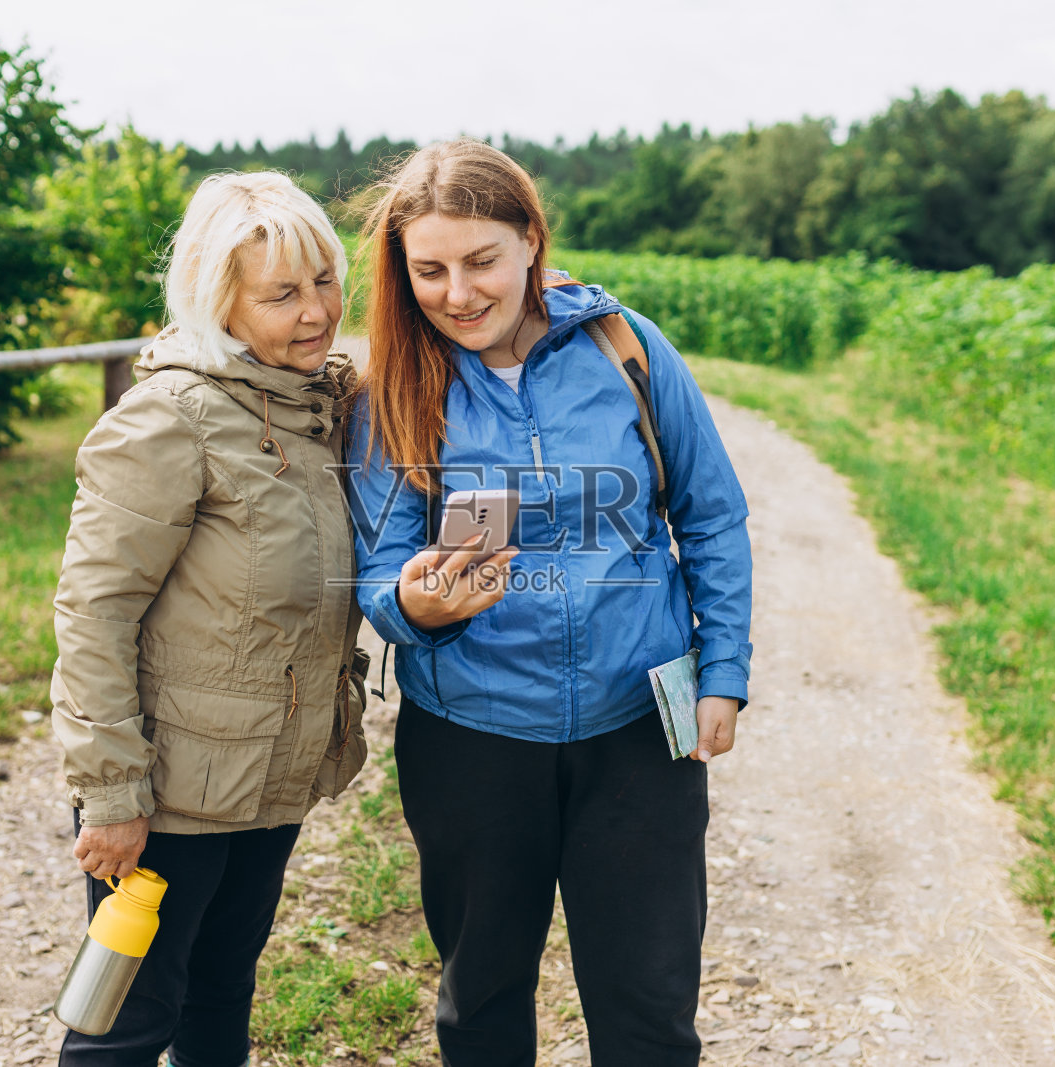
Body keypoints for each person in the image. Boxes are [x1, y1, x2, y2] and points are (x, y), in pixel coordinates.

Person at [346, 140, 754, 1066]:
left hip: (638, 730)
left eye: (481, 260)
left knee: (649, 1012)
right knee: (481, 1003)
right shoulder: (391, 390)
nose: (458, 292)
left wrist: (722, 670)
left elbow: (713, 515)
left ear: (531, 238)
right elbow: (381, 568)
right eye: (430, 270)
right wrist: (420, 606)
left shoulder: (629, 348)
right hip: (470, 739)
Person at [49, 171, 370, 1067]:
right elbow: (94, 612)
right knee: (122, 1024)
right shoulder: (168, 420)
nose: (316, 311)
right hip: (171, 797)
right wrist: (113, 793)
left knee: (224, 991)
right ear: (217, 302)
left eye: (324, 282)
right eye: (282, 294)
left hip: (266, 782)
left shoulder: (308, 407)